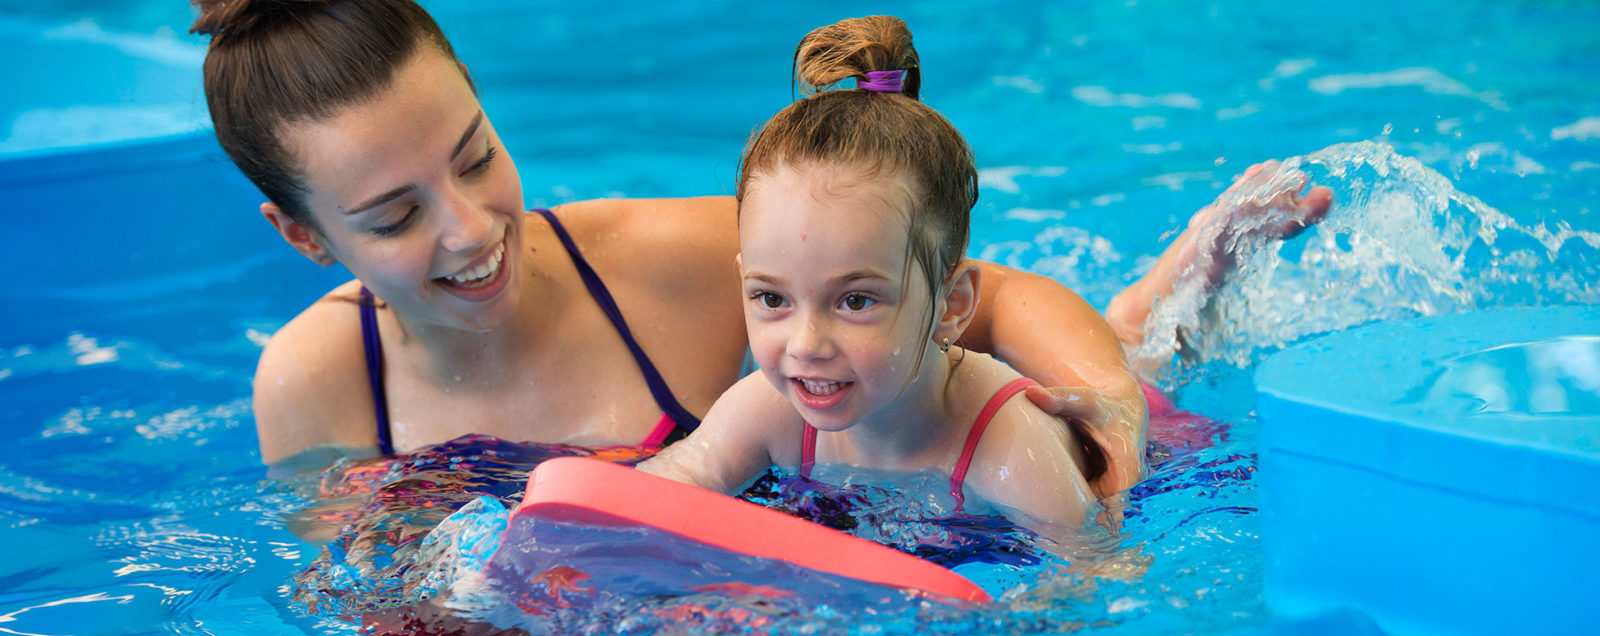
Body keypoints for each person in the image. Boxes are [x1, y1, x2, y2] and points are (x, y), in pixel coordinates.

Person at [191, 0, 1330, 500]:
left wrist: (1107, 401)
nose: (470, 228)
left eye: (477, 156)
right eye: (393, 217)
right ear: (303, 236)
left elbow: (986, 301)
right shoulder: (316, 382)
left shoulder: (661, 262)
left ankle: (1152, 311)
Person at [638, 16, 1099, 538]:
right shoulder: (770, 409)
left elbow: (1094, 573)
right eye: (771, 298)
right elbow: (674, 480)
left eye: (855, 301)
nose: (805, 345)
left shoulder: (1011, 447)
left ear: (952, 304)